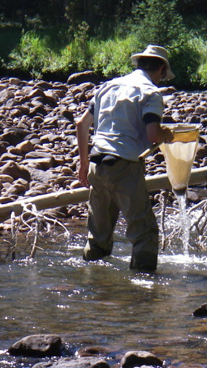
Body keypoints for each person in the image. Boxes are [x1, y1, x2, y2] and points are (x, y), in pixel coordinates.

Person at [75, 45, 175, 271]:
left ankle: (93, 284)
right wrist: (166, 135)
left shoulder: (107, 86)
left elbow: (81, 125)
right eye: (162, 75)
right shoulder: (150, 92)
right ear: (160, 69)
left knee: (98, 236)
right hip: (125, 167)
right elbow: (152, 135)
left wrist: (82, 166)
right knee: (145, 233)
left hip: (96, 165)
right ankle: (142, 291)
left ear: (139, 64)